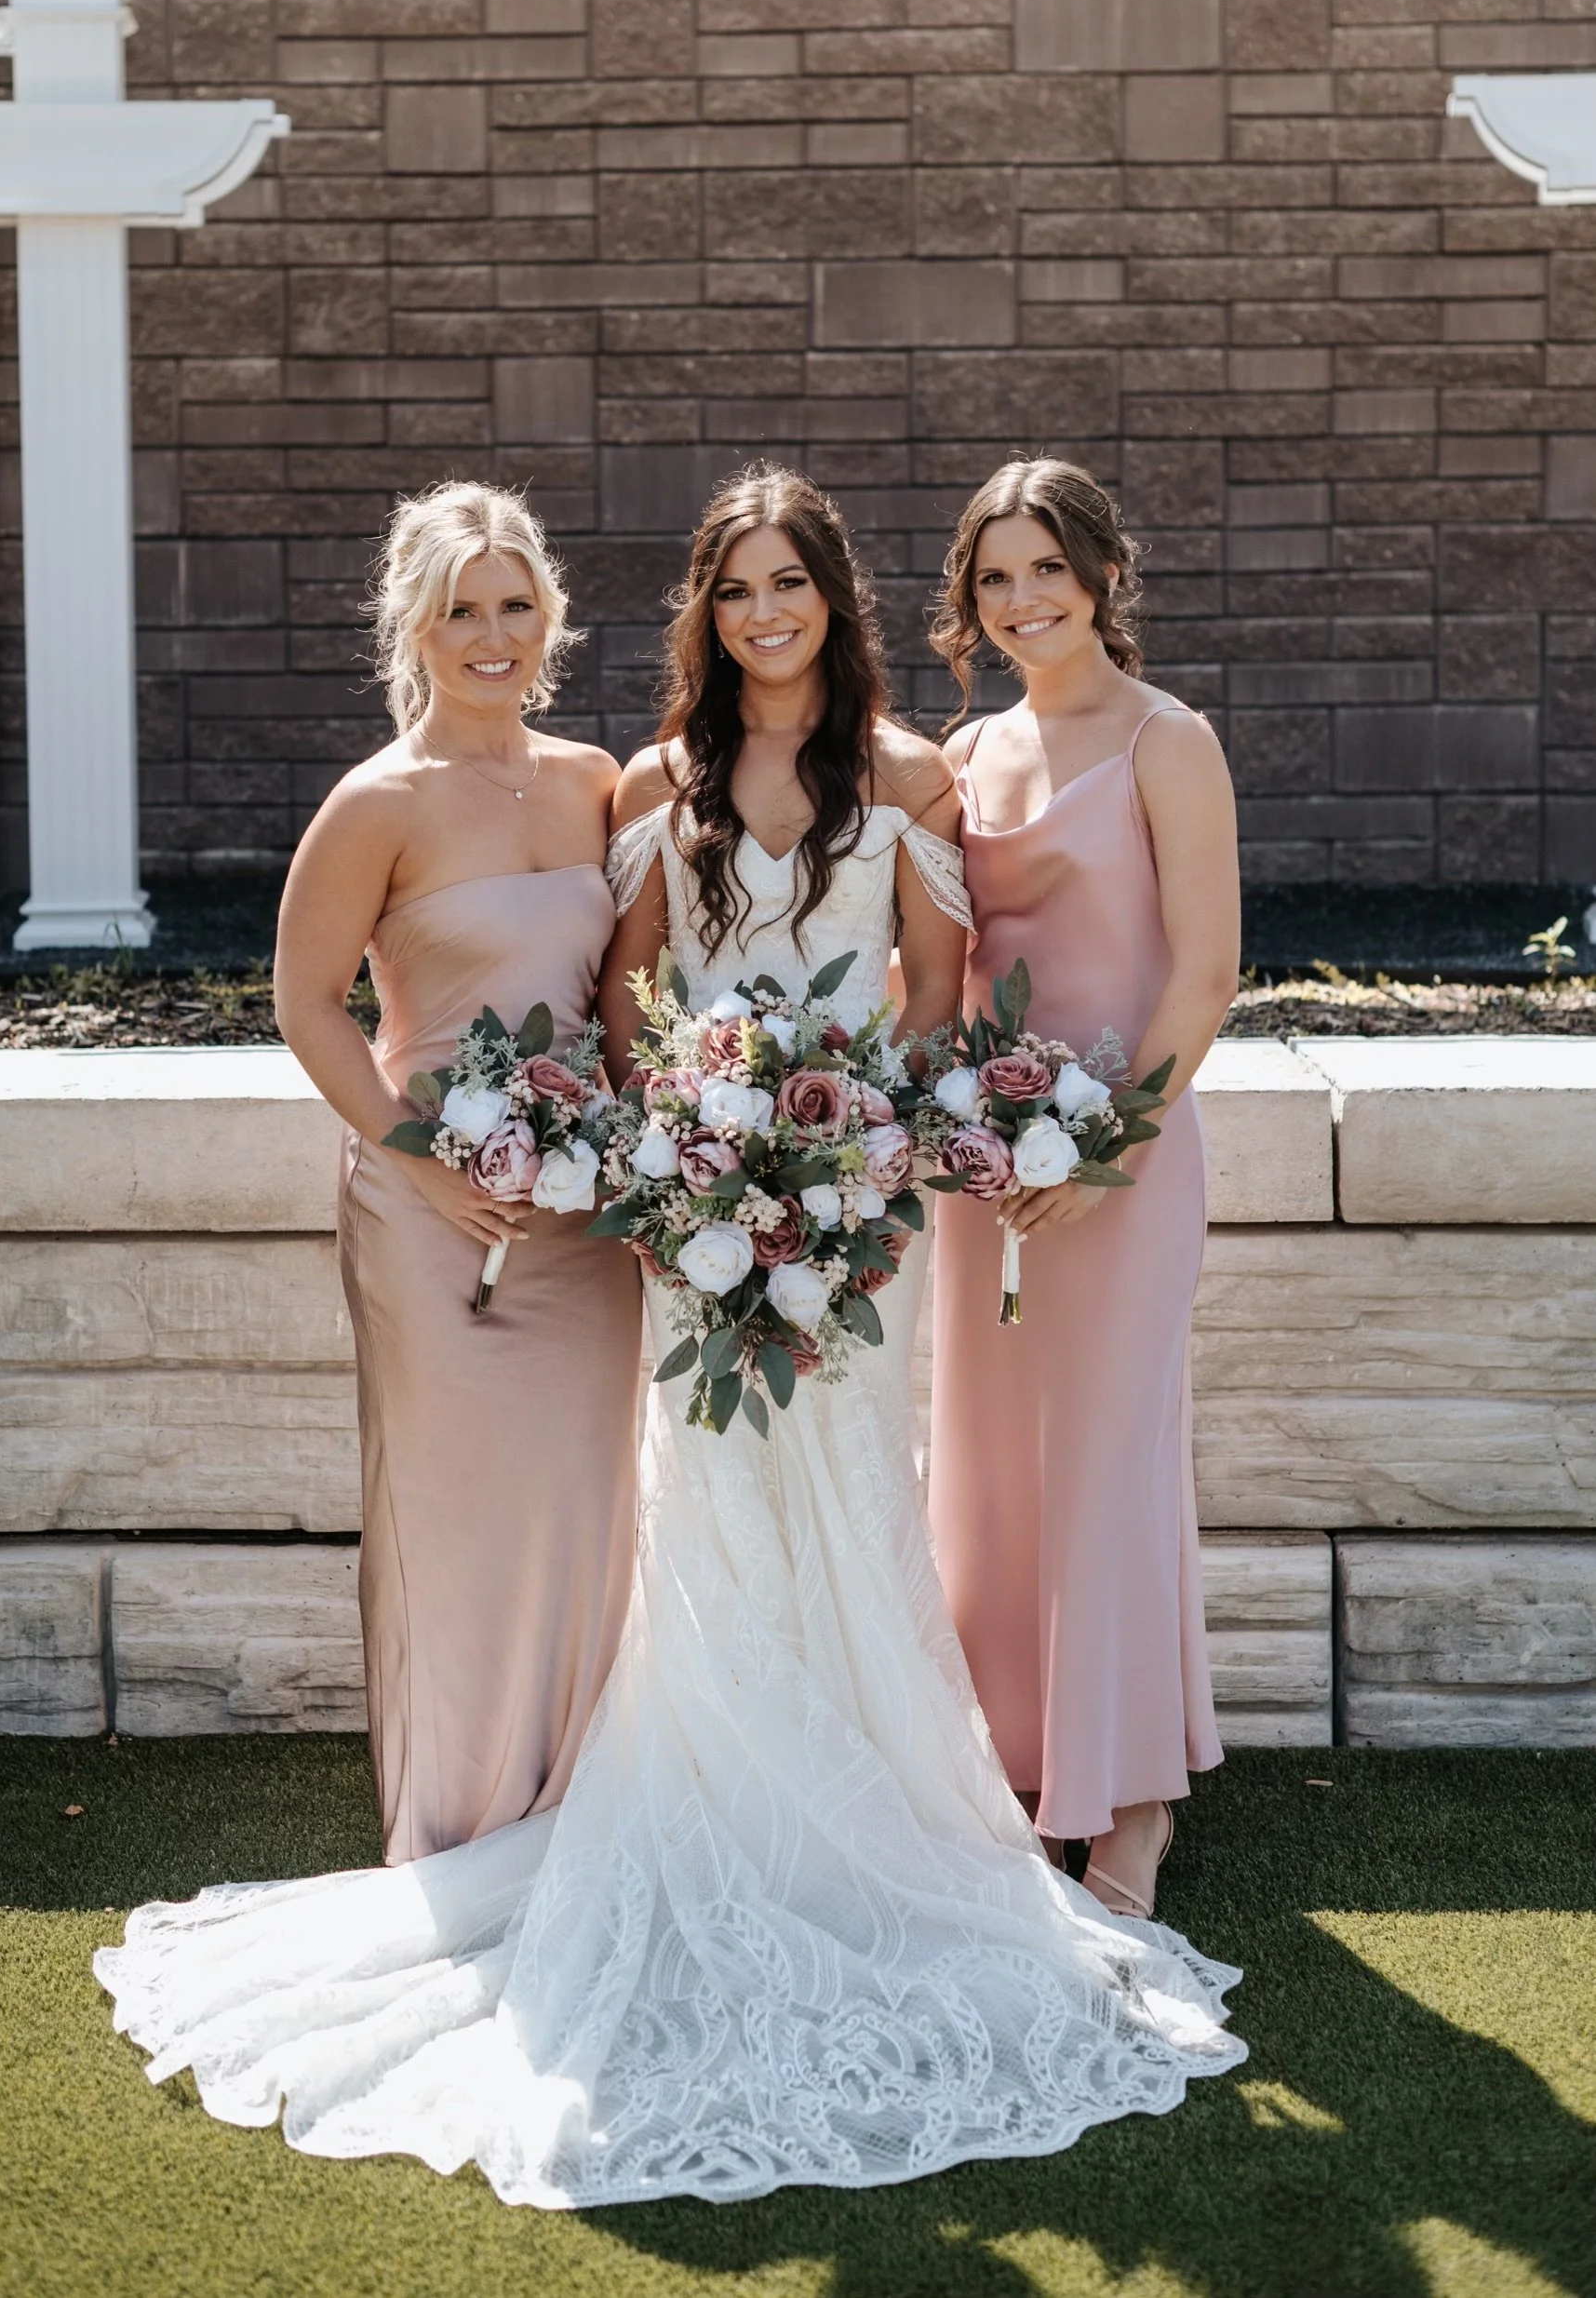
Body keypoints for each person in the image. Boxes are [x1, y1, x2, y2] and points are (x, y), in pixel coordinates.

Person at [96, 463, 1244, 2206]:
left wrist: (850, 1139)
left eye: (791, 587)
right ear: (703, 615)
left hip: (857, 1212)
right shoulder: (652, 784)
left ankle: (916, 1826)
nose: (764, 618)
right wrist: (691, 1149)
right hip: (699, 1221)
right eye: (735, 592)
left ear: (835, 602)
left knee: (862, 1508)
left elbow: (936, 994)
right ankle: (686, 1815)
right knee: (707, 1522)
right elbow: (627, 1001)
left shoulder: (918, 773)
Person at [270, 480, 641, 1862]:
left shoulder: (598, 781)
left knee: (585, 1507)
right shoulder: (379, 803)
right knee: (459, 1518)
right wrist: (420, 1165)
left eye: (514, 605)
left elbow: (629, 995)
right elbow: (306, 1004)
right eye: (461, 612)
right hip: (433, 1217)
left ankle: (578, 1823)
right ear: (415, 628)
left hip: (585, 1219)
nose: (493, 636)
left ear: (547, 616)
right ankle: (458, 1829)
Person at [928, 458, 1242, 1921]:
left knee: (1110, 1456)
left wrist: (1103, 1144)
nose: (1021, 601)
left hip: (1125, 1156)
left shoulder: (1168, 741)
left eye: (1045, 568)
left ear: (1102, 575)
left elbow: (1208, 972)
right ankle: (1012, 1760)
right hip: (986, 1171)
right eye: (995, 578)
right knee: (992, 1465)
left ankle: (1134, 1798)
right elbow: (934, 967)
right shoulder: (966, 753)